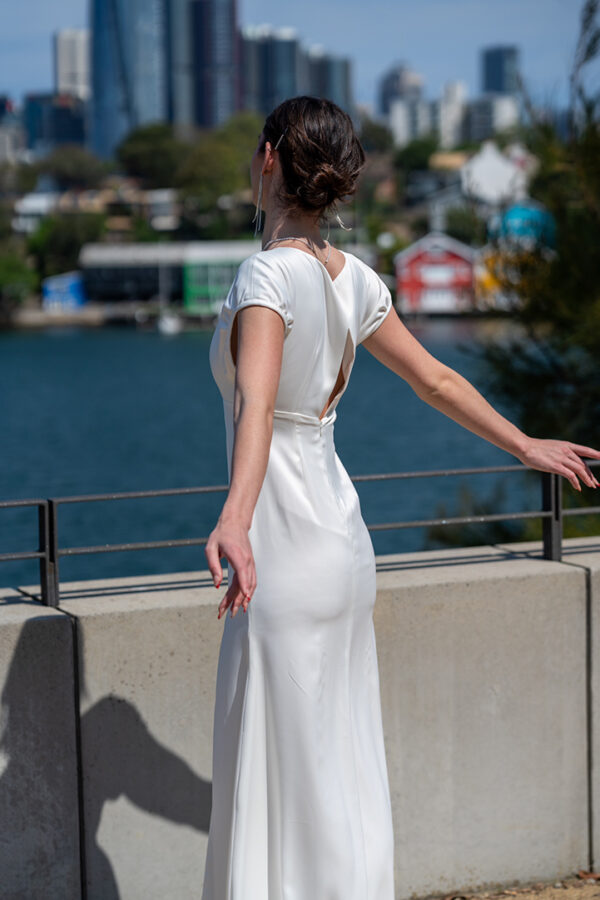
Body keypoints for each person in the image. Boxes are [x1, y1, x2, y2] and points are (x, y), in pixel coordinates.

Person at [202, 96, 600, 899]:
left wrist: (235, 519)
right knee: (337, 756)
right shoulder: (354, 278)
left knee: (283, 762)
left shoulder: (265, 274)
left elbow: (255, 402)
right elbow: (438, 379)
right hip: (342, 541)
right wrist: (524, 443)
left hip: (282, 539)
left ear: (271, 157)